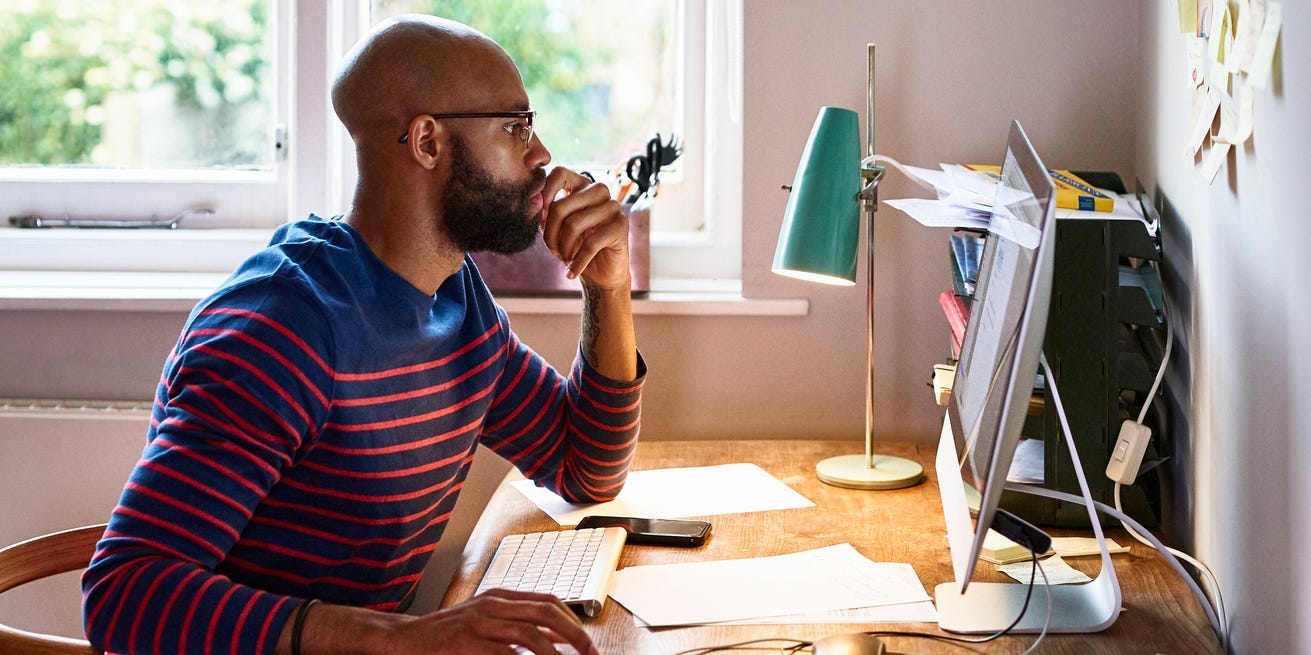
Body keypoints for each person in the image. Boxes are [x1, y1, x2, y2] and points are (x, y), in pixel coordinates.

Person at [81, 14, 644, 655]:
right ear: (428, 143)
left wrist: (607, 286)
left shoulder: (457, 299)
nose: (541, 154)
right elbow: (124, 593)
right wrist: (401, 637)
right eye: (516, 126)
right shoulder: (282, 330)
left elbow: (584, 467)